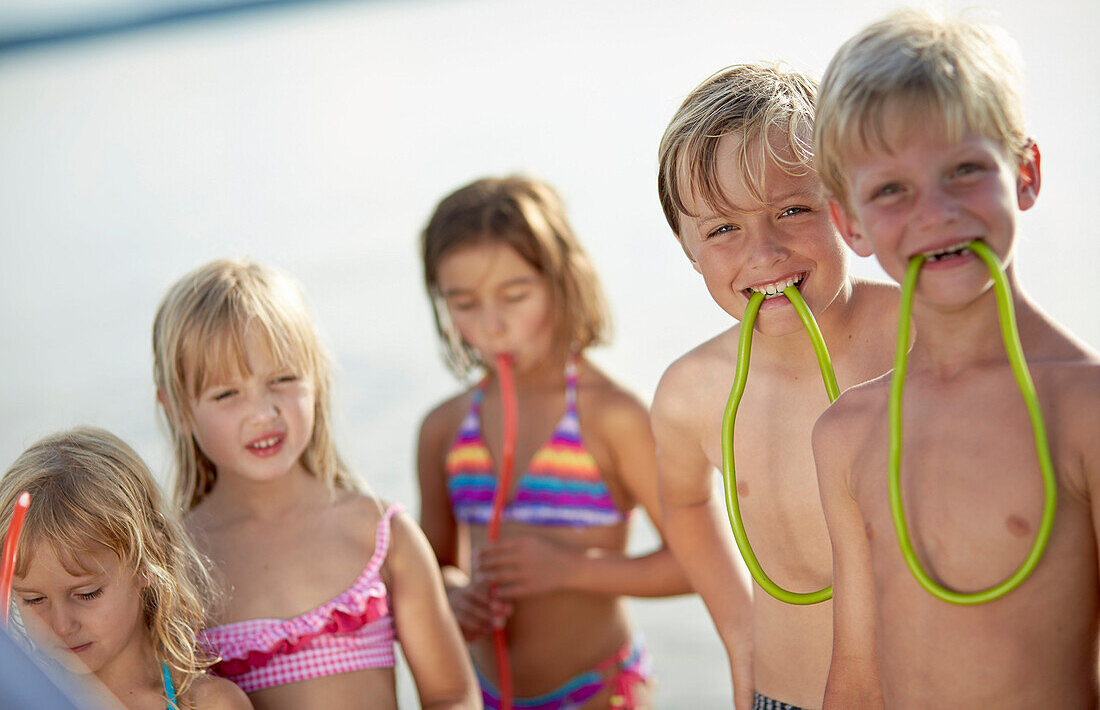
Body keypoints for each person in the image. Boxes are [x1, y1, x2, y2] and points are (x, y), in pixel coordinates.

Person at [811, 7, 1100, 709]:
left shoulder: (1084, 408)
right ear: (849, 223)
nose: (935, 212)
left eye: (965, 170)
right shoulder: (849, 431)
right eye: (891, 191)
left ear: (1024, 172)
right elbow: (855, 673)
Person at [651, 63, 901, 709]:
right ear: (686, 248)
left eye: (792, 209)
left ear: (850, 209)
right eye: (722, 229)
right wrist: (739, 632)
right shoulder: (690, 393)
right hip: (783, 693)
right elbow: (683, 504)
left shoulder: (919, 334)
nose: (763, 252)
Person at [152, 259, 479, 710]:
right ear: (177, 410)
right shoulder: (174, 567)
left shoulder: (382, 536)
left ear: (317, 381)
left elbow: (453, 694)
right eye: (227, 394)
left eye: (282, 380)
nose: (263, 413)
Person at [417, 176, 690, 709]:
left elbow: (697, 563)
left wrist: (572, 569)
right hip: (481, 694)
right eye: (464, 303)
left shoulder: (611, 417)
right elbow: (427, 566)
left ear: (561, 282)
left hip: (598, 693)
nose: (492, 325)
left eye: (515, 296)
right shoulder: (445, 430)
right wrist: (449, 594)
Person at [1, 426, 250, 710]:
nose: (61, 625)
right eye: (33, 599)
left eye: (87, 594)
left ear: (148, 559)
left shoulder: (208, 705)